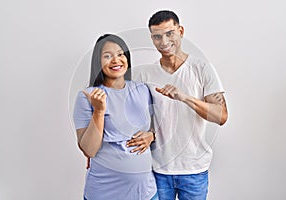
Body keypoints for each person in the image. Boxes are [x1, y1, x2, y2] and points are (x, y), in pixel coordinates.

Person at [127, 10, 228, 200]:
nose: (164, 42)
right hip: (156, 170)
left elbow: (221, 116)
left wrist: (185, 97)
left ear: (180, 31)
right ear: (152, 38)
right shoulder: (144, 75)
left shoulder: (202, 68)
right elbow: (132, 118)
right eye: (157, 37)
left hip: (194, 170)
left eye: (169, 33)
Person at [73, 34, 158, 200]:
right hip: (106, 193)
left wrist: (152, 135)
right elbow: (89, 149)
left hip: (147, 193)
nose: (116, 60)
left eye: (120, 54)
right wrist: (98, 111)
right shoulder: (87, 96)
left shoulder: (142, 89)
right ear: (98, 62)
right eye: (107, 56)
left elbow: (159, 126)